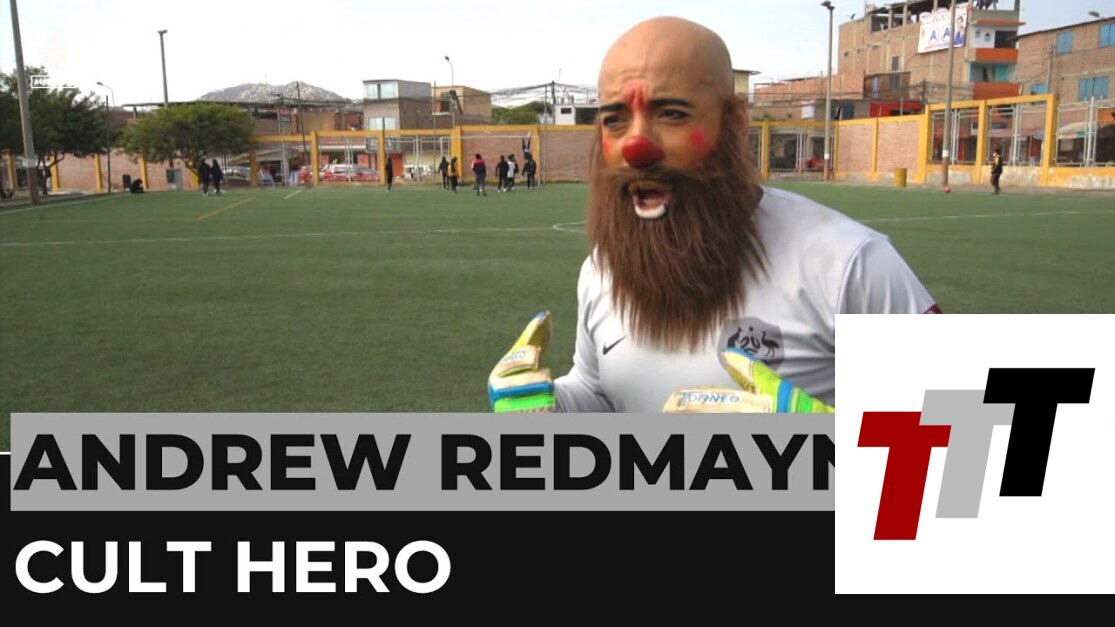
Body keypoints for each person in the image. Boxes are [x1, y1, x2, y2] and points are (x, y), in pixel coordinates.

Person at [487, 16, 940, 415]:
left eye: (672, 113)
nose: (636, 147)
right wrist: (550, 405)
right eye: (615, 120)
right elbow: (598, 392)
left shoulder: (850, 264)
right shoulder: (603, 270)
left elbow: (961, 436)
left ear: (736, 124)